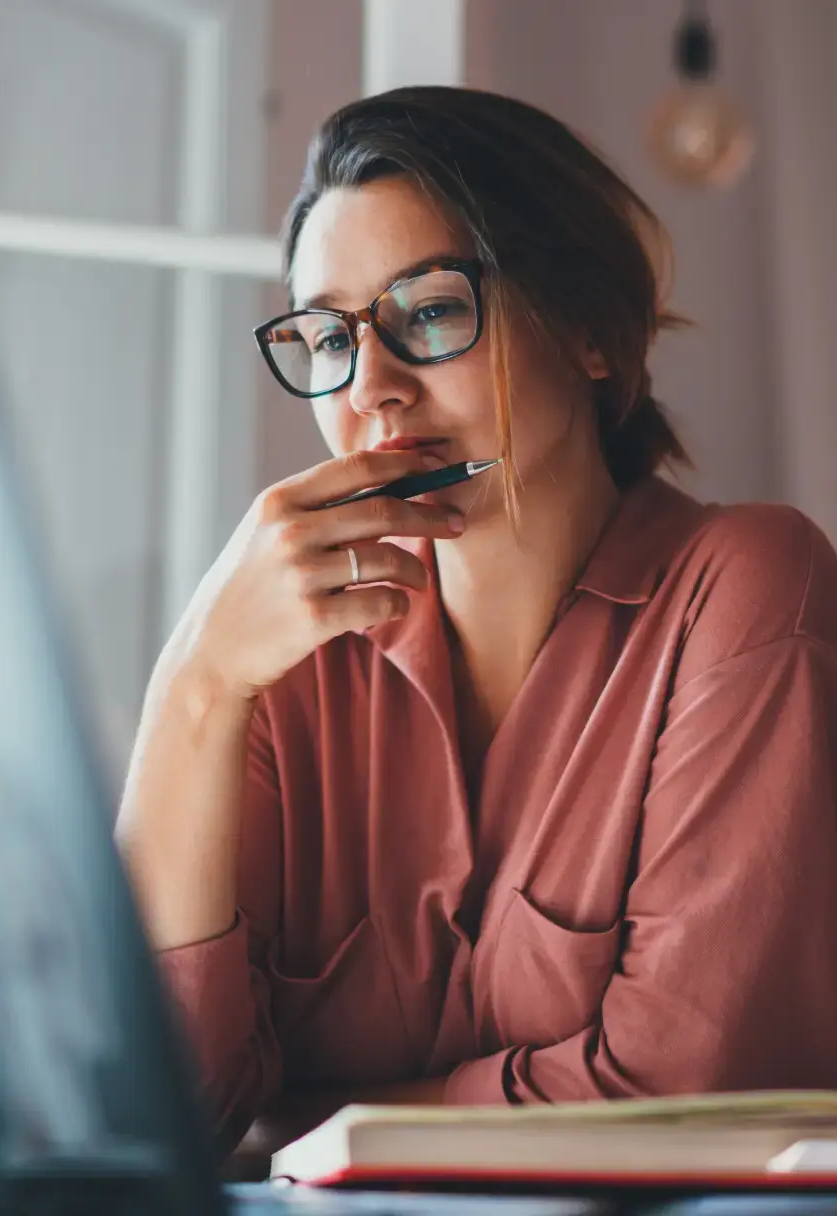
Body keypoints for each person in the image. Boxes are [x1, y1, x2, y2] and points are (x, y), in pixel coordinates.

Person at [115, 86, 837, 1156]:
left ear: (590, 329)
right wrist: (196, 688)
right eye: (327, 339)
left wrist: (307, 1124)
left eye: (431, 310)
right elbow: (149, 1110)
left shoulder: (744, 590)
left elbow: (682, 1090)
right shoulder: (282, 663)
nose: (373, 391)